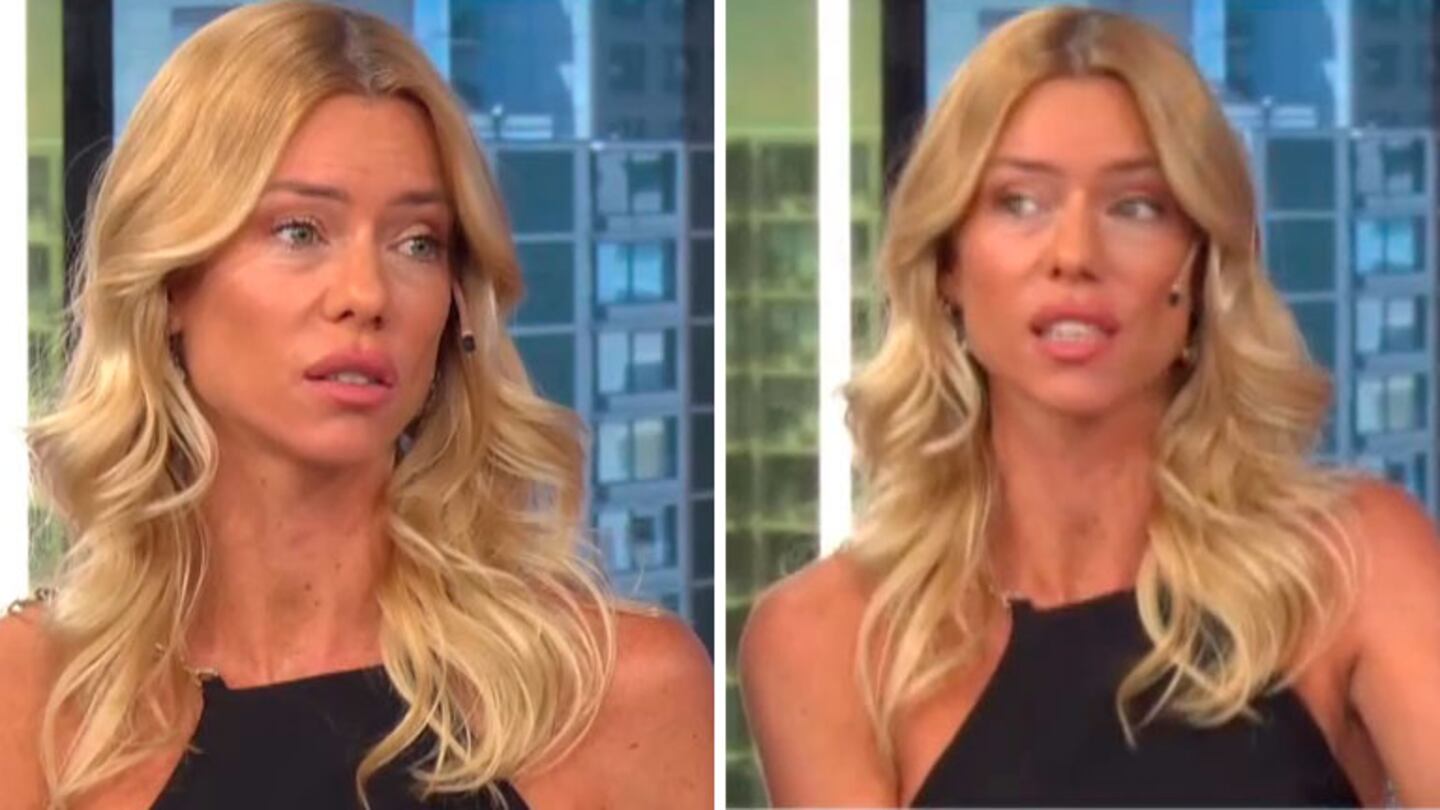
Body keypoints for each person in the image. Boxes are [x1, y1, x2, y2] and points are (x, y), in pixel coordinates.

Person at [0, 3, 711, 809]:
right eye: (300, 231)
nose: (367, 295)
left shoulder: (616, 693)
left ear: (455, 306)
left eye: (418, 243)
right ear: (170, 285)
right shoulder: (30, 699)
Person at [741, 6, 1440, 807]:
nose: (1074, 255)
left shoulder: (1354, 563)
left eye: (1135, 206)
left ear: (1201, 269)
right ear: (948, 266)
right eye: (1019, 202)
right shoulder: (827, 636)